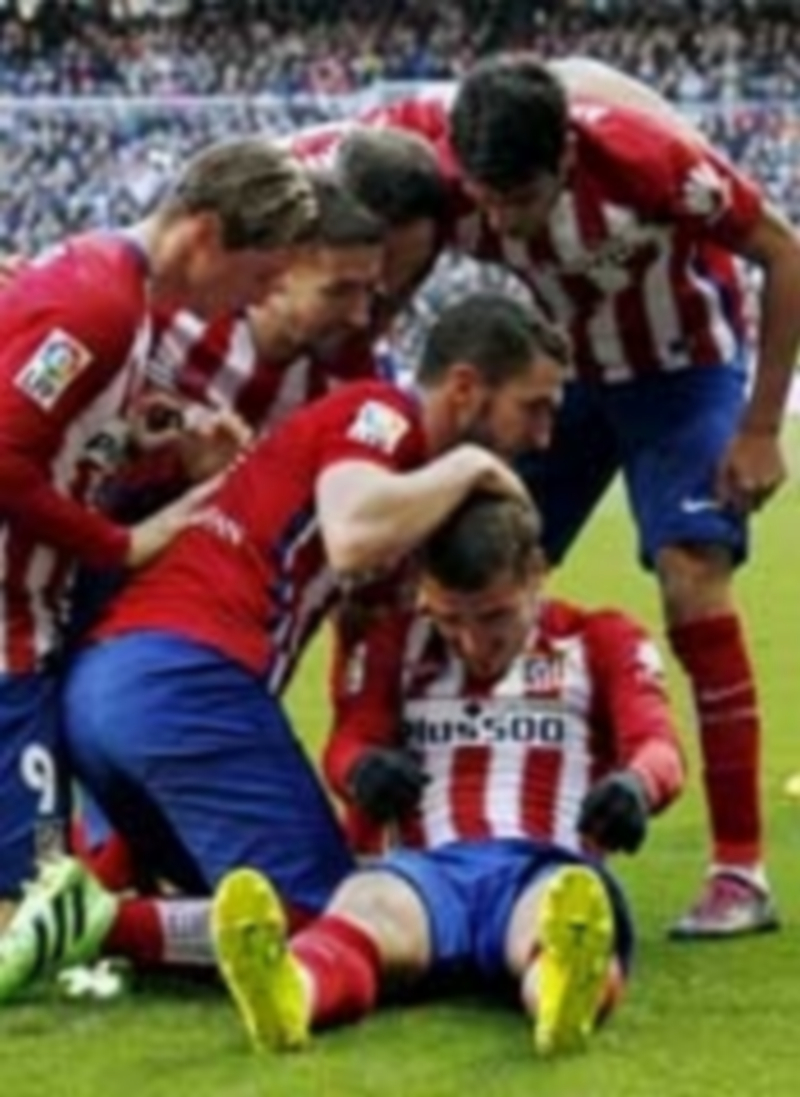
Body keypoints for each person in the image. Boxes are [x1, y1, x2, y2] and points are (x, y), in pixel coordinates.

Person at [0, 292, 566, 1002]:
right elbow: (352, 534)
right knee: (331, 920)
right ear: (464, 388)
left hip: (112, 689)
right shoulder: (383, 413)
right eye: (533, 407)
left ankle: (101, 898)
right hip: (183, 681)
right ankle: (101, 923)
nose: (545, 435)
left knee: (239, 897)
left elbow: (358, 631)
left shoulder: (403, 486)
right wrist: (472, 466)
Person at [443, 55, 800, 938]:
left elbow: (783, 251)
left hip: (684, 370)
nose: (501, 218)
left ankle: (739, 871)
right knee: (470, 559)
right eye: (487, 198)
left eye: (520, 198)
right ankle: (471, 824)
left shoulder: (649, 161)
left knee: (692, 572)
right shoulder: (443, 170)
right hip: (563, 380)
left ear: (566, 155)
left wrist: (761, 426)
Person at [209, 491, 686, 1057]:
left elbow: (658, 744)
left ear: (537, 572)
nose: (473, 642)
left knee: (560, 918)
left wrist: (636, 786)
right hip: (427, 876)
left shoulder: (600, 639)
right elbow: (349, 740)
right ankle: (292, 993)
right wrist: (363, 770)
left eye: (494, 616)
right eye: (450, 619)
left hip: (541, 865)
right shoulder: (395, 642)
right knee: (366, 901)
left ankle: (560, 1000)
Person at [0, 135, 318, 913]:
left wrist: (135, 443)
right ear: (206, 234)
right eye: (258, 276)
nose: (251, 303)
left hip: (28, 615)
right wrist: (123, 542)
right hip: (9, 623)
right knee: (32, 895)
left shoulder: (112, 285)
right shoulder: (103, 305)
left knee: (43, 882)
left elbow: (49, 434)